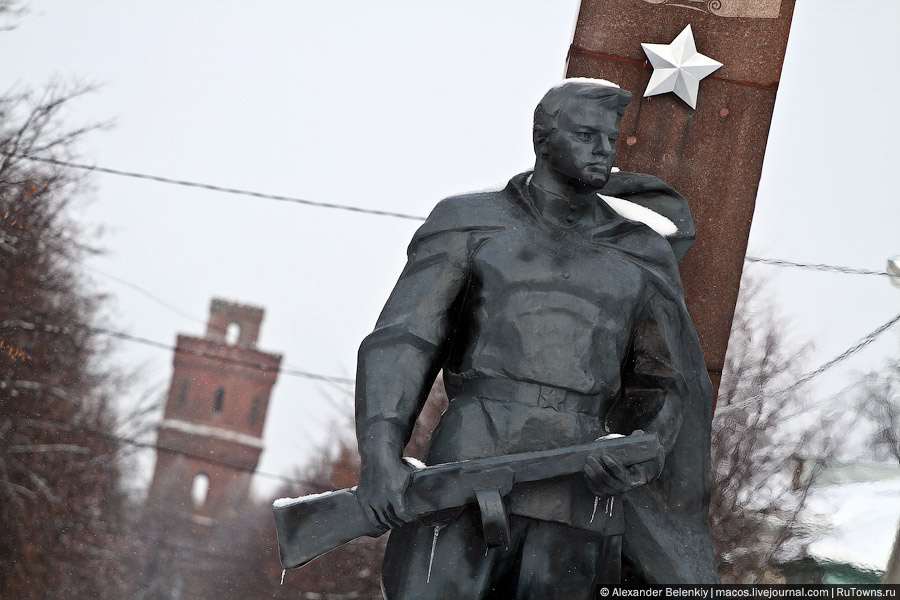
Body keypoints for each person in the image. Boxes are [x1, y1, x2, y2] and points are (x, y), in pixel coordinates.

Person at [355, 78, 719, 598]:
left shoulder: (641, 252)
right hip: (467, 465)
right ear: (544, 139)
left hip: (580, 487)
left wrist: (645, 448)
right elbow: (404, 340)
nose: (604, 151)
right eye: (587, 135)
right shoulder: (469, 222)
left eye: (610, 139)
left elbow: (664, 381)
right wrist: (380, 453)